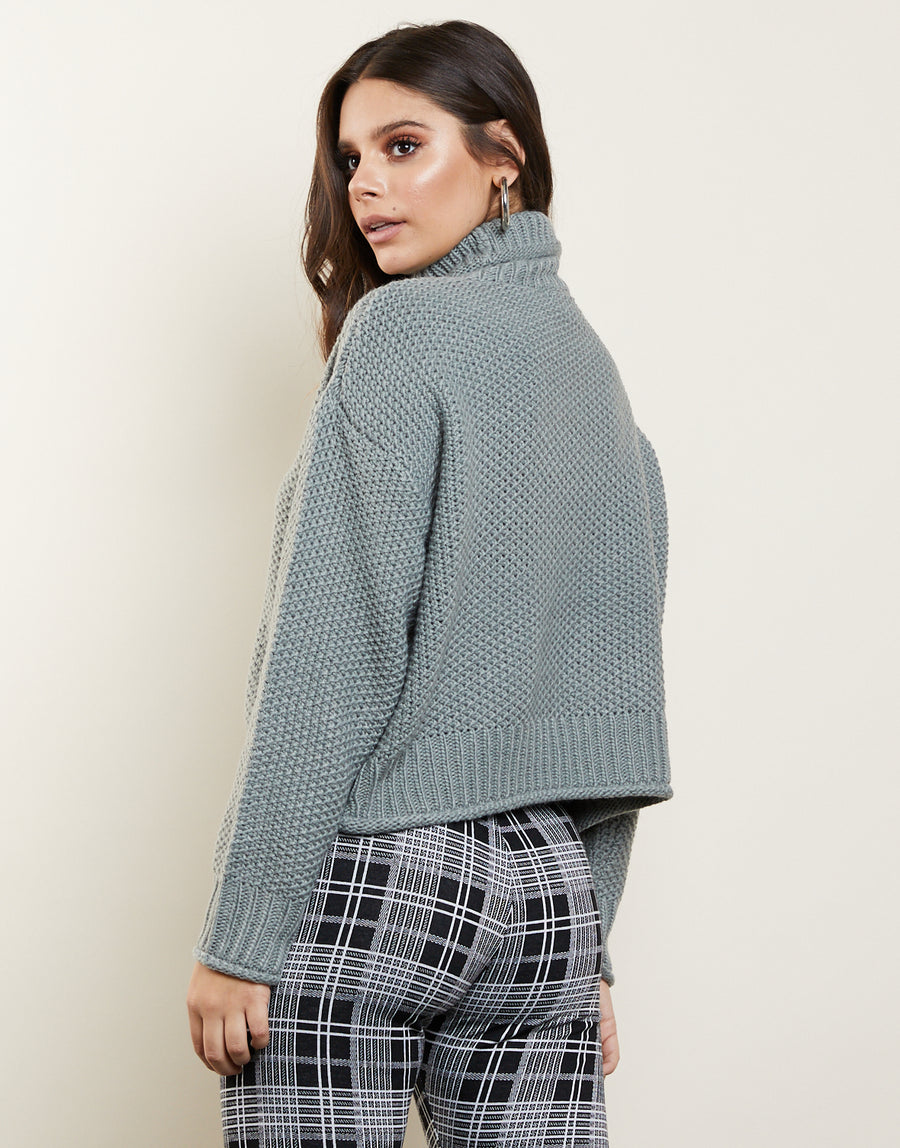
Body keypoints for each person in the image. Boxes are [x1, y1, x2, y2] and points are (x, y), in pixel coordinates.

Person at [186, 19, 673, 1148]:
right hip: (549, 896)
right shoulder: (604, 391)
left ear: (504, 155)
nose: (365, 185)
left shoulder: (399, 334)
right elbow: (618, 713)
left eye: (404, 145)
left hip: (385, 871)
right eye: (351, 158)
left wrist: (242, 935)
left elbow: (333, 653)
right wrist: (589, 949)